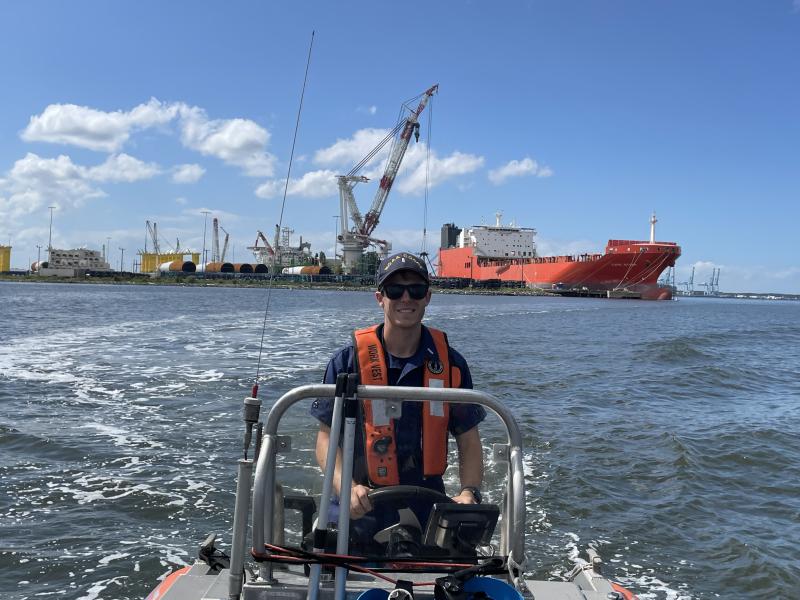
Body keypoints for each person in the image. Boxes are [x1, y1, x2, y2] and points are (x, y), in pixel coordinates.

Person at [310, 252, 485, 537]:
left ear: (427, 297)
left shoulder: (451, 365)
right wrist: (347, 487)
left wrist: (468, 493)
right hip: (360, 500)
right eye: (395, 290)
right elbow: (326, 438)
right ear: (380, 297)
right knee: (326, 563)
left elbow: (468, 439)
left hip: (429, 503)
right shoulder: (346, 363)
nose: (406, 298)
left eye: (415, 290)